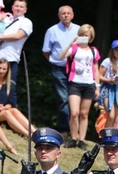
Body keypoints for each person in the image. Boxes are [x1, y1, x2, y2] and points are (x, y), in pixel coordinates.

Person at [59, 23, 100, 151]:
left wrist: (97, 86)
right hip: (75, 83)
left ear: (90, 37)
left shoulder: (93, 50)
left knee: (84, 113)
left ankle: (81, 139)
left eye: (86, 35)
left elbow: (96, 68)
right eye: (81, 34)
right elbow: (61, 56)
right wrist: (71, 43)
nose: (84, 37)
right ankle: (73, 137)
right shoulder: (75, 49)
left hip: (89, 84)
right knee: (74, 112)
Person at [42, 5, 78, 136]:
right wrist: (55, 61)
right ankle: (65, 129)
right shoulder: (52, 30)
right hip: (59, 69)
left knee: (75, 99)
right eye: (63, 13)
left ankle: (75, 130)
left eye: (68, 13)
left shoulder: (79, 30)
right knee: (63, 99)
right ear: (59, 16)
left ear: (72, 15)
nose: (66, 15)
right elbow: (46, 51)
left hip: (76, 69)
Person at [0, 59, 34, 137]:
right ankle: (28, 135)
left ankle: (35, 132)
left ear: (7, 71)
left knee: (14, 110)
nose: (1, 71)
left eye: (4, 69)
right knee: (6, 113)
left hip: (3, 110)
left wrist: (3, 107)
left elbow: (12, 104)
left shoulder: (11, 84)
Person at [0, 0, 30, 84]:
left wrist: (0, 37)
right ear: (12, 7)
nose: (18, 8)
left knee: (9, 88)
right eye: (16, 6)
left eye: (21, 7)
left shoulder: (26, 22)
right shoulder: (5, 19)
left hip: (11, 59)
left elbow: (17, 36)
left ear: (25, 10)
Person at [98, 40, 118, 129]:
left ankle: (115, 139)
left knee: (117, 118)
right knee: (110, 116)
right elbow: (99, 75)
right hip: (108, 88)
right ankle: (107, 137)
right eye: (116, 50)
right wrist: (108, 80)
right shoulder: (107, 61)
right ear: (112, 51)